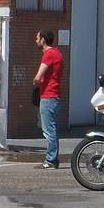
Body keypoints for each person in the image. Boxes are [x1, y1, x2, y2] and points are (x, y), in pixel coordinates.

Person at [32, 30, 63, 169]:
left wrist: (35, 81)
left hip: (48, 96)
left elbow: (39, 76)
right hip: (54, 95)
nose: (36, 41)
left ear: (43, 40)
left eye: (37, 38)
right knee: (53, 128)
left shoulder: (49, 54)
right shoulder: (57, 53)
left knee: (48, 130)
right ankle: (53, 158)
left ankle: (51, 159)